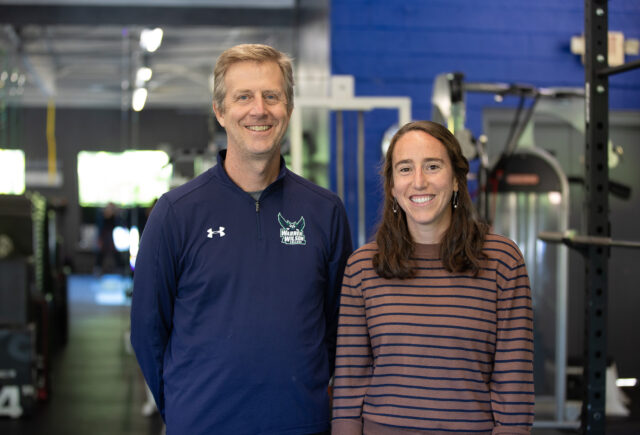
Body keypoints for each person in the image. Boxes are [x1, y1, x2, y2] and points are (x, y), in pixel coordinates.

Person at [130, 43, 353, 434]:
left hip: (300, 425)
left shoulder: (325, 212)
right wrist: (184, 407)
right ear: (220, 111)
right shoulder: (176, 212)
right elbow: (148, 329)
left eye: (272, 96)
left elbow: (339, 327)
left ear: (289, 108)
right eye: (243, 97)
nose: (259, 109)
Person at [331, 121, 534, 434]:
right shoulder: (363, 267)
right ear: (392, 186)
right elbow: (348, 388)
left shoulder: (501, 261)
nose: (419, 182)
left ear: (455, 180)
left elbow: (514, 391)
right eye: (405, 169)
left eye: (433, 166)